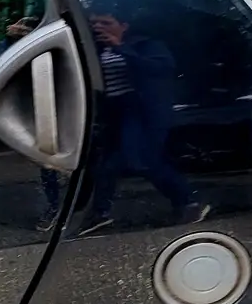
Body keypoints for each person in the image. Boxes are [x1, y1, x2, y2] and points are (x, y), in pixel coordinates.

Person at [80, 13, 207, 234]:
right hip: (114, 113)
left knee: (141, 160)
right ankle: (99, 215)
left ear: (124, 25)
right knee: (107, 165)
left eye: (106, 23)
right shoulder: (96, 51)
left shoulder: (146, 45)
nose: (99, 27)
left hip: (141, 111)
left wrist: (121, 48)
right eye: (94, 24)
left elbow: (162, 69)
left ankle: (190, 202)